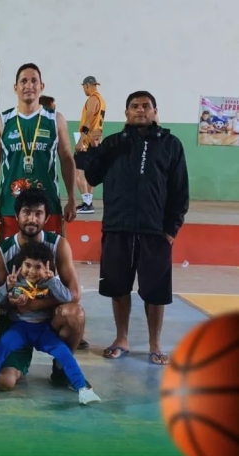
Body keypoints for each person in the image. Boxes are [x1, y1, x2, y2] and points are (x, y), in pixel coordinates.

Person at [75, 91, 190, 366]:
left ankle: (155, 344)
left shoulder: (171, 145)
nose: (140, 110)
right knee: (118, 287)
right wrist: (87, 150)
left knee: (156, 291)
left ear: (155, 111)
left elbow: (180, 190)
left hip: (155, 231)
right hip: (118, 227)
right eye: (135, 106)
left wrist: (171, 228)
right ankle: (121, 339)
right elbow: (92, 176)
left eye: (146, 106)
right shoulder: (114, 143)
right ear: (126, 113)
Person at [0, 187, 88, 391]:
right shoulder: (1, 252)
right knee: (4, 382)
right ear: (17, 215)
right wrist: (13, 301)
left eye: (38, 213)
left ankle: (61, 369)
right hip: (18, 322)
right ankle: (18, 361)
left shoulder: (59, 245)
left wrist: (36, 303)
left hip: (50, 320)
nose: (32, 219)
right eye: (27, 212)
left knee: (75, 313)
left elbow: (75, 295)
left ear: (47, 217)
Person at [0, 241, 101, 404]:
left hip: (43, 329)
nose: (31, 271)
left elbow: (67, 298)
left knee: (65, 354)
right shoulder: (15, 281)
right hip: (20, 328)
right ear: (20, 264)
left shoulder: (49, 281)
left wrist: (53, 281)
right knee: (3, 345)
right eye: (28, 265)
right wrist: (7, 288)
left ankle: (83, 389)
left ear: (47, 267)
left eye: (38, 267)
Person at [0, 63, 78, 241]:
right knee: (10, 263)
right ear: (15, 87)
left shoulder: (56, 120)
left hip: (48, 208)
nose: (29, 85)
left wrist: (72, 198)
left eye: (34, 81)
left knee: (49, 262)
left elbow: (67, 159)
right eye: (24, 81)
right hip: (12, 207)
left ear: (42, 86)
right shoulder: (2, 122)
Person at [74, 76, 107, 214]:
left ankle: (87, 204)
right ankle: (88, 202)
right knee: (90, 173)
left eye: (83, 87)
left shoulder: (93, 99)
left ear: (87, 85)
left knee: (77, 172)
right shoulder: (102, 100)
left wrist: (81, 140)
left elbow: (88, 120)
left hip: (88, 141)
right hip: (96, 140)